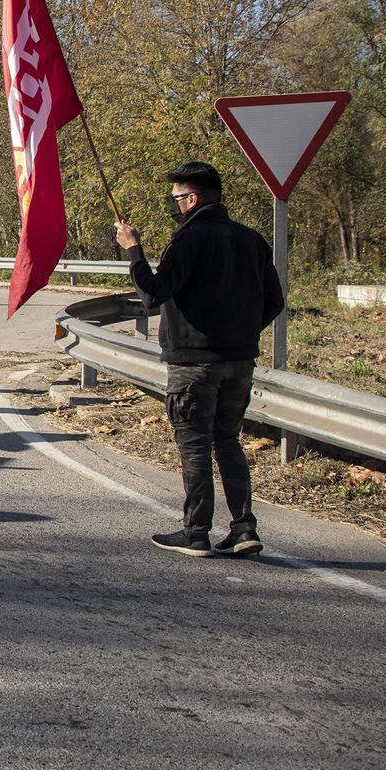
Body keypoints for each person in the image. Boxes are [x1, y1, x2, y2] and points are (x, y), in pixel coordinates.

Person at [117, 161, 283, 558]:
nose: (173, 205)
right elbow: (274, 301)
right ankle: (244, 529)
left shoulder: (188, 239)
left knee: (194, 447)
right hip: (239, 361)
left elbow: (153, 293)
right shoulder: (251, 240)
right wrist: (240, 333)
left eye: (176, 198)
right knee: (228, 441)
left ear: (191, 199)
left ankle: (196, 532)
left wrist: (134, 251)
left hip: (193, 364)